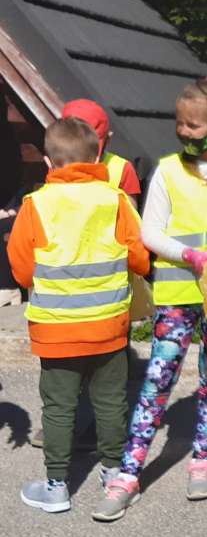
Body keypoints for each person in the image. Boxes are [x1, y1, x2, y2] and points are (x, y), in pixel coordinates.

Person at [92, 71, 207, 521]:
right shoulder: (168, 170)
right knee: (157, 382)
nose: (183, 131)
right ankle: (129, 474)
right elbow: (150, 232)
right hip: (177, 292)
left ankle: (202, 460)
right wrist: (190, 255)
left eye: (193, 124)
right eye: (179, 122)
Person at [8, 117, 150, 512]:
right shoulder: (115, 201)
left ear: (49, 162)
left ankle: (56, 486)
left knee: (58, 406)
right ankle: (114, 475)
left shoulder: (36, 205)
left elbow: (21, 269)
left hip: (56, 329)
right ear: (98, 157)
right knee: (111, 402)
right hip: (109, 325)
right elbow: (140, 259)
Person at [27, 99, 146, 453]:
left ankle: (93, 430)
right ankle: (72, 429)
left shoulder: (121, 169)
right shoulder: (63, 159)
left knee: (103, 375)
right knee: (72, 373)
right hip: (72, 292)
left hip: (104, 289)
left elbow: (131, 226)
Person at [61, 99, 142, 207]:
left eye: (93, 147)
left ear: (108, 138)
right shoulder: (58, 163)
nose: (88, 154)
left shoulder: (122, 169)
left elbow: (131, 213)